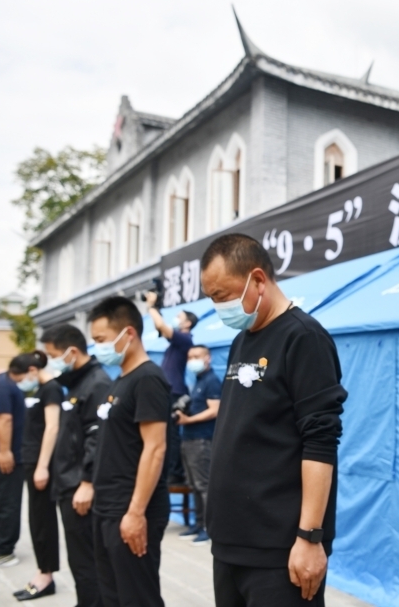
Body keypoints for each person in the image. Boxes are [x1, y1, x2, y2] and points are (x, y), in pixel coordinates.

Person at [201, 233, 347, 606]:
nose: (219, 306)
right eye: (212, 298)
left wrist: (310, 538)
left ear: (258, 280)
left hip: (279, 549)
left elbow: (320, 440)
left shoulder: (303, 338)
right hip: (232, 542)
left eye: (222, 295)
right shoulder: (243, 339)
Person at [88, 296, 170, 607]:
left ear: (129, 334)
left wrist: (135, 513)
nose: (98, 347)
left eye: (101, 340)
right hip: (107, 506)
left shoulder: (148, 379)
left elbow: (155, 448)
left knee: (138, 597)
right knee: (112, 596)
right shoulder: (120, 380)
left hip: (131, 509)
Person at [42, 323, 111, 607]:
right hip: (68, 483)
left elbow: (97, 438)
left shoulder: (97, 383)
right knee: (79, 559)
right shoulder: (74, 382)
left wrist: (86, 481)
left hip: (79, 487)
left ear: (71, 351)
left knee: (88, 561)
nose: (52, 361)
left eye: (53, 354)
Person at [11, 350, 62, 601]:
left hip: (42, 464)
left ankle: (46, 575)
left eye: (19, 379)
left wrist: (42, 466)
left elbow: (52, 427)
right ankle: (43, 570)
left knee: (42, 520)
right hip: (32, 461)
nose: (20, 384)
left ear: (32, 370)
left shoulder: (51, 388)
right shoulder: (40, 390)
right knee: (36, 519)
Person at [144, 295, 197, 485]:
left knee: (172, 436)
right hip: (168, 391)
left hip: (174, 392)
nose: (176, 318)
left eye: (179, 316)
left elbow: (161, 326)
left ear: (188, 323)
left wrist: (151, 306)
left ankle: (176, 472)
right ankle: (170, 470)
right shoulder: (176, 343)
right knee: (166, 433)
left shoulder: (185, 339)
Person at [175, 344, 221, 545]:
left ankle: (209, 528)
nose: (192, 360)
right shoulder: (198, 381)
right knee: (193, 484)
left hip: (202, 439)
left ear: (207, 358)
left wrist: (188, 420)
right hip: (189, 439)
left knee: (204, 485)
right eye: (189, 356)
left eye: (196, 356)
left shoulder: (211, 381)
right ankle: (198, 523)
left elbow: (214, 410)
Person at [0, 352, 26, 570]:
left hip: (3, 457)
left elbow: (3, 419)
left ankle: (4, 550)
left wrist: (4, 451)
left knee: (4, 503)